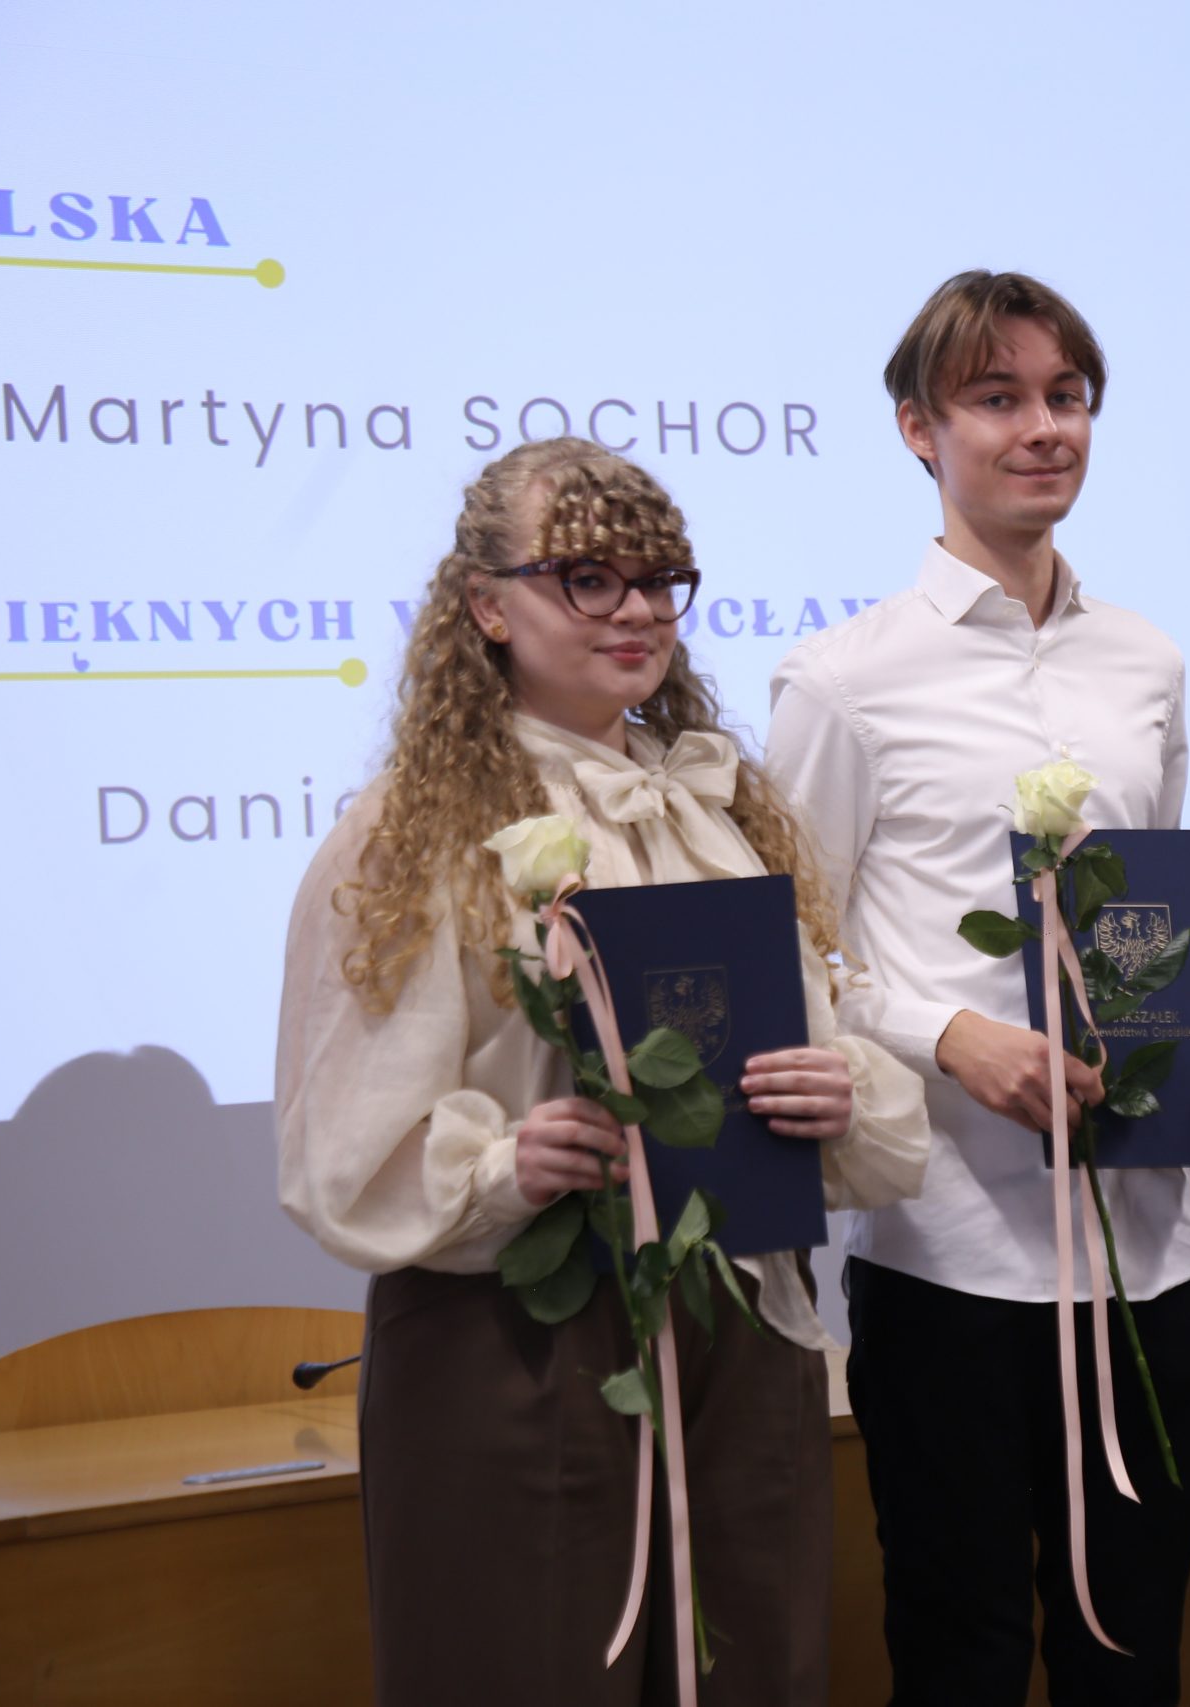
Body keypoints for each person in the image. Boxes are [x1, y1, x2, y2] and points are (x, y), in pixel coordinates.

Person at [275, 437, 928, 1707]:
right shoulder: (408, 835)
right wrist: (507, 1163)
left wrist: (838, 1093)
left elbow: (811, 1031)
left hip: (744, 1325)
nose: (636, 611)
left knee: (755, 1669)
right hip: (518, 1341)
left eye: (658, 578)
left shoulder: (718, 813)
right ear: (486, 605)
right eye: (587, 578)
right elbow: (343, 1145)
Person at [762, 270, 1190, 1707]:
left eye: (1067, 396)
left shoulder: (1146, 658)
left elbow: (1152, 926)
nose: (1043, 427)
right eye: (997, 398)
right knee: (961, 1650)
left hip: (1152, 1248)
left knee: (1134, 1652)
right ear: (918, 429)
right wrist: (946, 1033)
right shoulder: (842, 679)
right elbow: (793, 951)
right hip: (951, 1251)